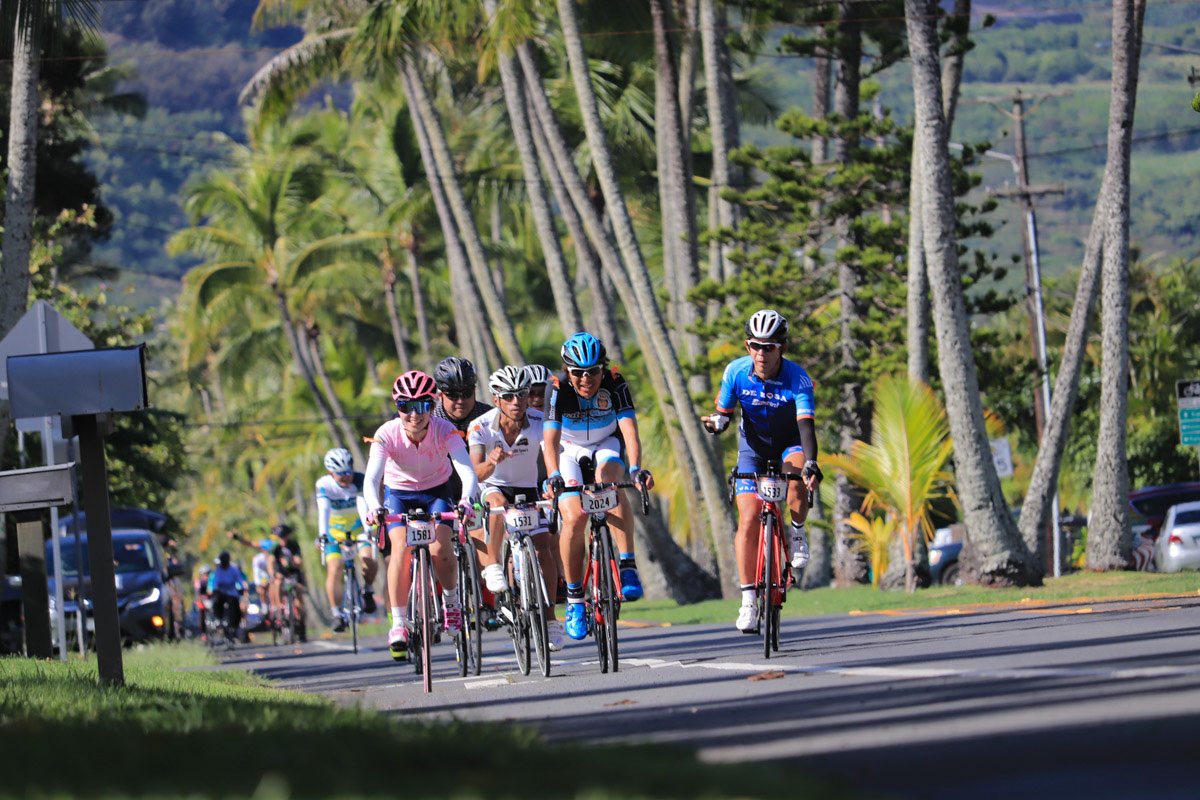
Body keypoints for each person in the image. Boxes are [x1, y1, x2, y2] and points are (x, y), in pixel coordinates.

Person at [701, 309, 823, 633]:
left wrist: (811, 463)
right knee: (748, 519)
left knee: (796, 481)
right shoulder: (735, 372)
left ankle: (796, 531)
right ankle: (748, 601)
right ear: (747, 345)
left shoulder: (798, 378)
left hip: (789, 444)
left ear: (781, 347)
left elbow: (806, 427)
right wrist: (717, 424)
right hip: (752, 449)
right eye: (755, 345)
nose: (761, 353)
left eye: (768, 347)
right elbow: (724, 413)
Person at [363, 370, 481, 662]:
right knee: (400, 550)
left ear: (432, 405)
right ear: (396, 406)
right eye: (406, 406)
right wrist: (373, 507)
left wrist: (467, 500)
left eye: (423, 406)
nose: (414, 415)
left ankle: (451, 602)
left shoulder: (444, 429)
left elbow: (467, 471)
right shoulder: (385, 433)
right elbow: (371, 479)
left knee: (440, 548)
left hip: (436, 491)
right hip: (398, 494)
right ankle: (399, 623)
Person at [544, 332, 654, 642]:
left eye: (593, 371)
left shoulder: (615, 383)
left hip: (606, 443)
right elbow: (550, 440)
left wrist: (634, 468)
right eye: (578, 372)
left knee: (609, 483)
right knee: (575, 516)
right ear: (568, 371)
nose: (586, 378)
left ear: (603, 369)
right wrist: (553, 474)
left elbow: (629, 433)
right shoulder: (557, 389)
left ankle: (628, 564)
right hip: (569, 449)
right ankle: (576, 598)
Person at [468, 366, 564, 651]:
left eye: (522, 395)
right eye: (509, 396)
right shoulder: (480, 426)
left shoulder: (539, 420)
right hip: (493, 486)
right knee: (497, 505)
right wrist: (492, 462)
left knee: (543, 548)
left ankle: (549, 620)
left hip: (528, 488)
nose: (517, 401)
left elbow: (550, 453)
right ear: (497, 399)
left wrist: (551, 481)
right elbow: (476, 473)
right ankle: (494, 564)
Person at [316, 447, 378, 632]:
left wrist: (368, 530)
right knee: (334, 569)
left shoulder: (359, 479)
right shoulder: (324, 484)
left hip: (358, 529)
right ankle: (336, 613)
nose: (346, 477)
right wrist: (323, 535)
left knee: (369, 559)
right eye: (340, 474)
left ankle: (367, 590)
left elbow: (362, 504)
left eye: (349, 472)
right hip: (334, 532)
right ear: (330, 472)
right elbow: (324, 510)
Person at [207, 551, 246, 637]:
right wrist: (216, 590)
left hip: (232, 593)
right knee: (217, 603)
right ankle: (219, 619)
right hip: (221, 593)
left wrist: (242, 588)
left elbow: (239, 580)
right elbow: (215, 583)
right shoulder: (218, 571)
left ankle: (234, 624)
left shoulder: (233, 570)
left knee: (235, 605)